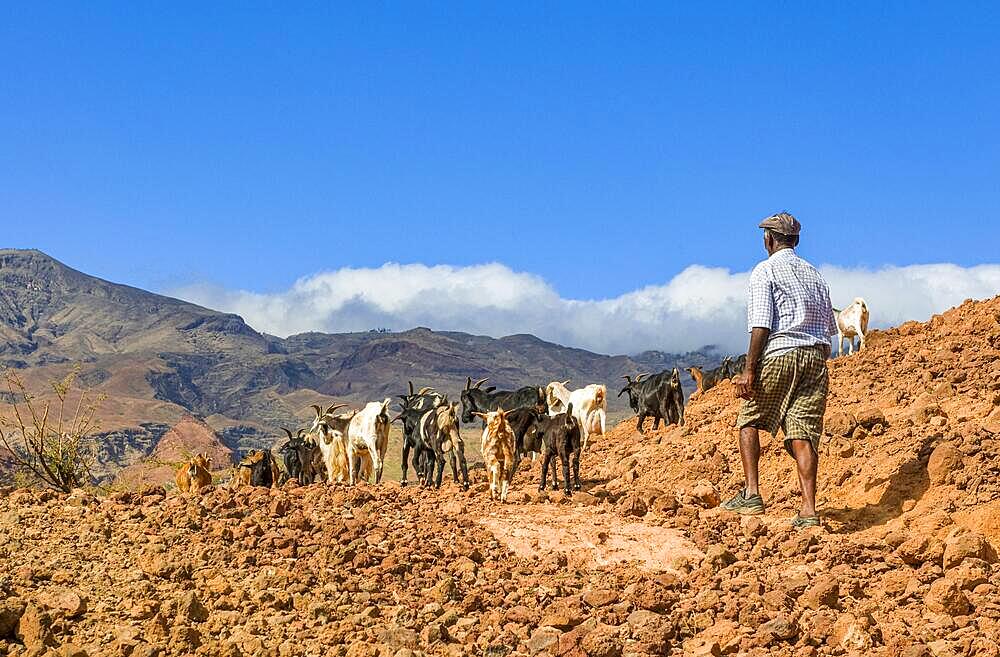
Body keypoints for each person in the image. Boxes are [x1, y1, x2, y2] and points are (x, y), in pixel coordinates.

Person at [722, 212, 837, 528]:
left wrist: (749, 370)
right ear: (796, 240)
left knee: (749, 419)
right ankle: (809, 510)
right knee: (803, 432)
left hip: (781, 353)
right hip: (815, 358)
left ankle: (751, 494)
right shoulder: (816, 276)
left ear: (768, 240)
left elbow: (761, 324)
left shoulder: (765, 271)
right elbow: (830, 331)